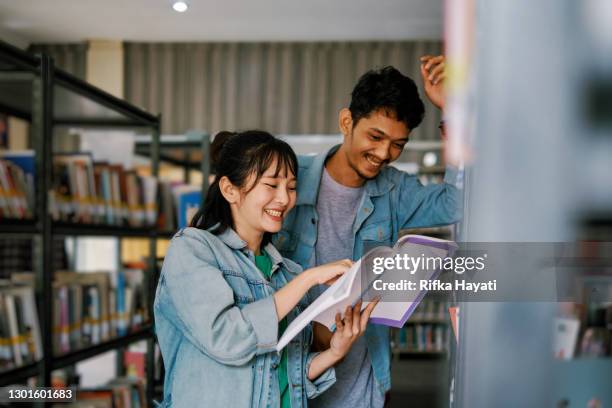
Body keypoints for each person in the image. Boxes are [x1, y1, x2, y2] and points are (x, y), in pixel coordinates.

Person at [272, 56, 460, 407]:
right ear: (347, 122)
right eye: (375, 136)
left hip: (362, 386)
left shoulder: (395, 190)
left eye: (398, 144)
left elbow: (458, 201)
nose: (384, 153)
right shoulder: (288, 179)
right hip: (289, 381)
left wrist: (452, 114)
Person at [154, 130, 378, 407]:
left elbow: (287, 372)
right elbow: (225, 338)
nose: (284, 199)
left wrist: (334, 351)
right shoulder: (192, 250)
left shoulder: (288, 272)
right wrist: (308, 279)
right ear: (229, 190)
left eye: (292, 187)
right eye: (272, 185)